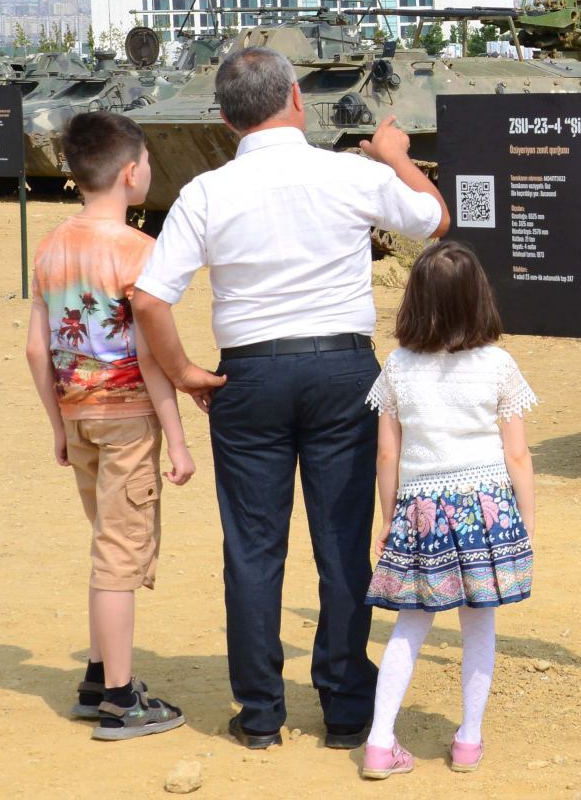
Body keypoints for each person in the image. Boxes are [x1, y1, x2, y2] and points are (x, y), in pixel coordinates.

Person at [131, 46, 447, 751]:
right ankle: (343, 709)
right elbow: (433, 220)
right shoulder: (346, 171)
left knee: (252, 548)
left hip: (250, 375)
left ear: (225, 119)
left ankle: (261, 715)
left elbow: (150, 298)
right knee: (340, 545)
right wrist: (395, 154)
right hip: (341, 370)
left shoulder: (207, 192)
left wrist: (184, 373)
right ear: (297, 98)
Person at [25, 111, 194, 741]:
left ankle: (98, 674)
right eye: (147, 161)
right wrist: (175, 438)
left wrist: (57, 426)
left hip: (77, 415)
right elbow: (150, 356)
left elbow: (37, 350)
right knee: (120, 558)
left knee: (105, 543)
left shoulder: (50, 247)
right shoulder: (138, 251)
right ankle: (121, 699)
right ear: (130, 173)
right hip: (127, 420)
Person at [357, 240, 536, 779]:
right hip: (486, 510)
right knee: (480, 624)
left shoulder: (398, 366)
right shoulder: (498, 365)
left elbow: (387, 452)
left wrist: (388, 519)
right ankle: (467, 741)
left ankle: (379, 743)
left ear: (415, 299)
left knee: (411, 624)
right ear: (479, 298)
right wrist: (525, 522)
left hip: (420, 510)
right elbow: (518, 454)